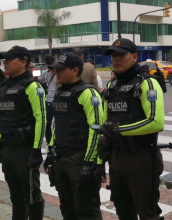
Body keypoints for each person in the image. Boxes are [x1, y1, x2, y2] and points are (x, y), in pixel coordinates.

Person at [100, 38, 165, 220]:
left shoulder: (147, 83)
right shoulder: (112, 86)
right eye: (113, 55)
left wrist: (118, 129)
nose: (116, 59)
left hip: (141, 159)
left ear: (135, 57)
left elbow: (156, 122)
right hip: (117, 159)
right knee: (123, 212)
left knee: (148, 214)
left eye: (121, 55)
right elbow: (107, 122)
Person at [44, 52, 104, 220]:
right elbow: (57, 126)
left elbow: (97, 128)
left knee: (86, 210)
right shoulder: (60, 92)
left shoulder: (88, 93)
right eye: (56, 70)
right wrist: (51, 153)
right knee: (67, 209)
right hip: (61, 158)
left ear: (74, 70)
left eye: (61, 70)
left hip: (80, 158)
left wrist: (90, 162)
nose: (57, 73)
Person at [0, 46, 46, 219]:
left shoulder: (32, 86)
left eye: (9, 59)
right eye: (4, 59)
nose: (5, 62)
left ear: (23, 62)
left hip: (24, 151)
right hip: (6, 150)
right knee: (16, 196)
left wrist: (35, 150)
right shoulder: (4, 86)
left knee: (32, 197)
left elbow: (41, 118)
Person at [39, 55, 57, 145]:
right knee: (47, 123)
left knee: (57, 124)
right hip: (47, 101)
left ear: (55, 63)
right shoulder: (45, 73)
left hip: (57, 101)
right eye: (48, 66)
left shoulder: (59, 73)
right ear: (46, 65)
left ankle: (56, 142)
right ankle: (50, 142)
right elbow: (38, 81)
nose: (51, 68)